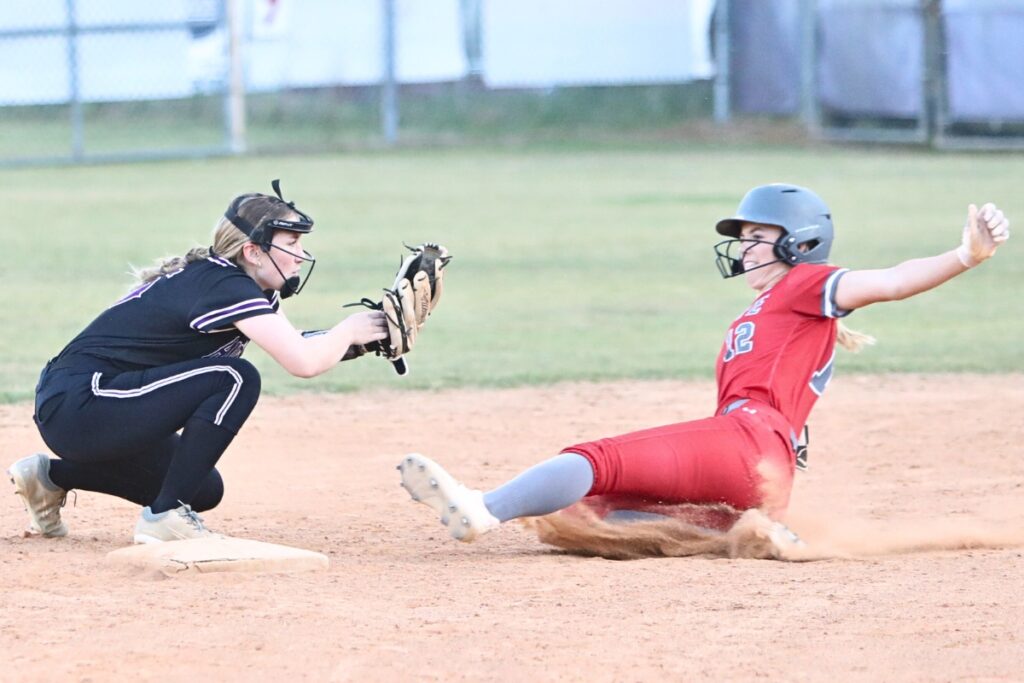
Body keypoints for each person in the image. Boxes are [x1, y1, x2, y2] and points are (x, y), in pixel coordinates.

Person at [398, 183, 1010, 556]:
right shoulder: (772, 302)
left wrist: (966, 255)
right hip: (756, 462)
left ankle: (483, 509)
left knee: (593, 460)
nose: (743, 246)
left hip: (747, 441)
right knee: (583, 514)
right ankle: (736, 532)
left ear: (798, 242)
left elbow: (893, 281)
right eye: (741, 236)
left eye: (756, 235)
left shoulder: (809, 283)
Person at [8, 181, 388, 543]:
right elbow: (302, 363)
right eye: (291, 243)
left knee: (202, 487)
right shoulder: (224, 285)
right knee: (234, 378)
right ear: (253, 252)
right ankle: (165, 519)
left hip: (92, 405)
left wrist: (369, 335)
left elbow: (298, 345)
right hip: (82, 403)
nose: (301, 255)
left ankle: (50, 477)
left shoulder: (244, 287)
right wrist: (350, 329)